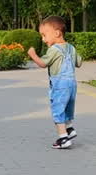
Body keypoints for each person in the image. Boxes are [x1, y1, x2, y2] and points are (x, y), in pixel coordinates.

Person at [27, 15, 83, 149]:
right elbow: (79, 63)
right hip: (72, 84)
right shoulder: (71, 48)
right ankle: (69, 129)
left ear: (57, 33)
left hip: (60, 85)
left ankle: (63, 138)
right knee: (67, 107)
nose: (43, 39)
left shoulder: (53, 50)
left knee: (58, 110)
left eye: (44, 35)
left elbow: (43, 63)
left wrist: (33, 55)